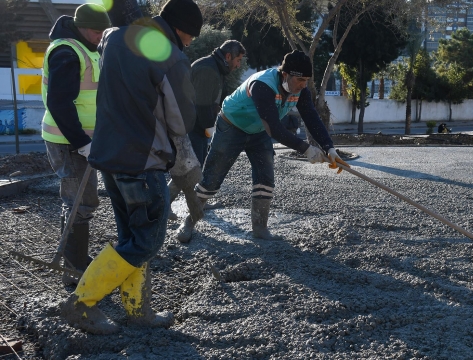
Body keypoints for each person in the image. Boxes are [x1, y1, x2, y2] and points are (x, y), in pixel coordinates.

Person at [60, 0, 202, 334]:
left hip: (109, 156)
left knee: (131, 237)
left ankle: (138, 311)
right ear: (182, 29)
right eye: (192, 36)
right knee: (146, 241)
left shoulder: (113, 39)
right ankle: (80, 303)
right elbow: (181, 122)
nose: (191, 43)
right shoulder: (169, 56)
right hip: (143, 160)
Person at [176, 50, 349, 243]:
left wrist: (329, 148)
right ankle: (189, 221)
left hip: (259, 131)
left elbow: (311, 117)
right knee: (211, 179)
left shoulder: (300, 91)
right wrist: (306, 149)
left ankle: (260, 228)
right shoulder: (262, 85)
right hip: (232, 125)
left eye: (307, 80)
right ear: (285, 75)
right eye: (301, 80)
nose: (304, 85)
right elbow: (274, 128)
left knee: (265, 178)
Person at [40, 4, 111, 285]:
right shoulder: (66, 51)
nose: (100, 37)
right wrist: (81, 142)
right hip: (67, 141)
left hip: (79, 140)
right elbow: (59, 102)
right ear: (82, 27)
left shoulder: (87, 49)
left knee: (78, 202)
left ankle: (75, 260)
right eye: (97, 32)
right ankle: (73, 270)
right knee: (80, 202)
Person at [168, 40, 246, 215]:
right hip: (192, 128)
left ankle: (195, 204)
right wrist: (211, 131)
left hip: (195, 127)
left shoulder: (213, 67)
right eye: (238, 60)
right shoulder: (208, 69)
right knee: (188, 169)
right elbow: (202, 107)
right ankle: (165, 205)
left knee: (193, 168)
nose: (238, 65)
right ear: (228, 56)